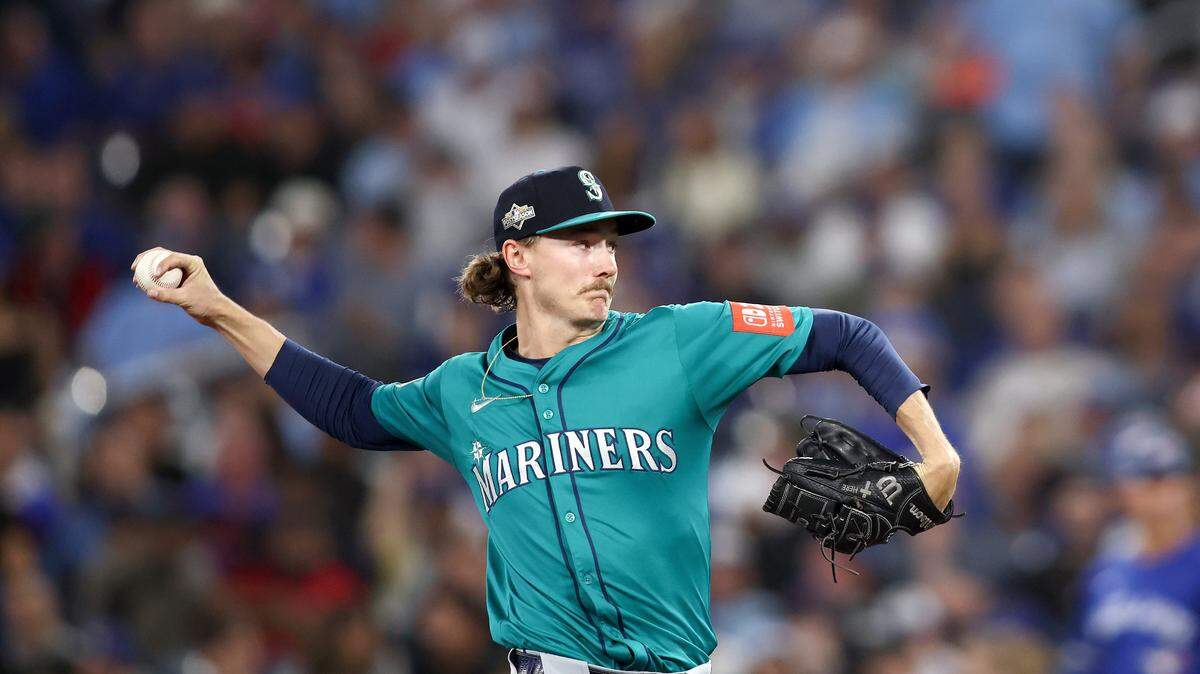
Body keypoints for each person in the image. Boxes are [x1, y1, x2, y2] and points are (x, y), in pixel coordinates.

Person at [133, 166, 961, 673]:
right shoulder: (463, 391)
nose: (605, 260)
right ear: (519, 259)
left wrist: (933, 450)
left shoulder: (679, 341)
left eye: (611, 243)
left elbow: (849, 335)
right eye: (582, 242)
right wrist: (218, 311)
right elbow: (352, 410)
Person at [1062, 414, 1200, 674]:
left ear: (1190, 484)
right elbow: (1080, 659)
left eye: (1170, 476)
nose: (1163, 491)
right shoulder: (1104, 573)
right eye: (1148, 479)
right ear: (1121, 491)